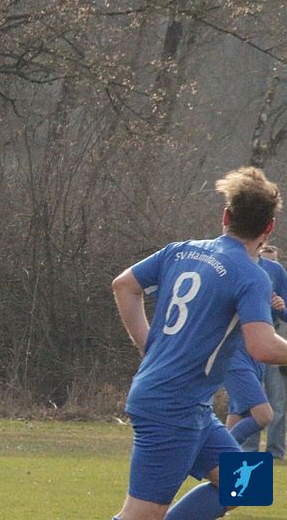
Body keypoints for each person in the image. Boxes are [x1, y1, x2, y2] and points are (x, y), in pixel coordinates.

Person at [110, 166, 287, 520]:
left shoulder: (181, 251)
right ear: (268, 228)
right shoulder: (251, 276)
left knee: (247, 484)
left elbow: (124, 285)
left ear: (226, 216)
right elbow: (262, 347)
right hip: (172, 405)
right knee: (142, 514)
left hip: (190, 405)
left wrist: (148, 345)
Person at [225, 243, 287, 451]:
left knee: (238, 412)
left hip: (264, 346)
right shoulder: (229, 265)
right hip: (233, 348)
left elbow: (285, 312)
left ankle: (225, 462)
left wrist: (281, 307)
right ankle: (216, 454)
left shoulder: (275, 270)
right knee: (262, 414)